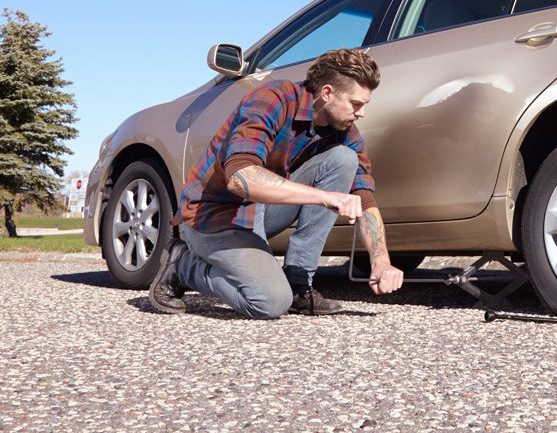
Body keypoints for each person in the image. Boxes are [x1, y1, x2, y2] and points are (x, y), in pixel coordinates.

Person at [148, 48, 403, 317]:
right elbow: (240, 177)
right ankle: (183, 266)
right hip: (213, 217)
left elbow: (364, 198)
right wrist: (325, 197)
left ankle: (298, 282)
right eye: (356, 104)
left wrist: (381, 261)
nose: (361, 113)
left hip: (260, 210)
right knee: (268, 302)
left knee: (344, 159)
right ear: (327, 93)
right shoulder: (272, 98)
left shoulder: (344, 131)